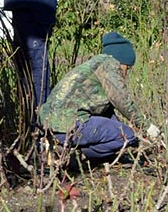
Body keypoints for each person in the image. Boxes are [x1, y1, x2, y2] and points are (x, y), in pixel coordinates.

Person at [38, 32, 160, 161]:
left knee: (118, 130)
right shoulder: (110, 66)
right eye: (127, 69)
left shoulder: (94, 66)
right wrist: (146, 126)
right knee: (126, 135)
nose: (126, 73)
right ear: (122, 62)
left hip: (49, 123)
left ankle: (58, 146)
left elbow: (107, 114)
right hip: (67, 126)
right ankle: (80, 156)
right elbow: (121, 101)